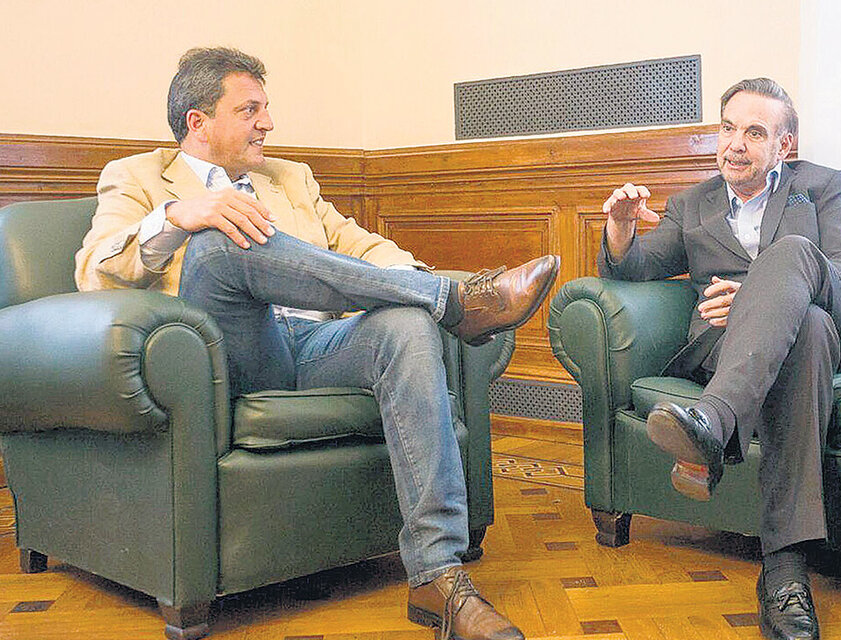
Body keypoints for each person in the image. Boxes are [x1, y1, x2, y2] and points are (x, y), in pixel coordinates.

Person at [76, 46, 559, 640]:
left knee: (407, 325)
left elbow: (361, 246)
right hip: (224, 356)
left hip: (312, 345)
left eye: (266, 108)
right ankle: (457, 305)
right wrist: (181, 215)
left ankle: (438, 576)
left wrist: (418, 282)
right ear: (198, 123)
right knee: (220, 240)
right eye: (250, 110)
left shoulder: (290, 177)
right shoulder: (137, 177)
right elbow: (95, 270)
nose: (268, 124)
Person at [598, 78, 841, 640]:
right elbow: (635, 267)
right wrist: (619, 228)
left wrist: (765, 292)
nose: (735, 144)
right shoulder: (691, 204)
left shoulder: (825, 187)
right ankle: (784, 575)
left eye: (755, 132)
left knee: (793, 264)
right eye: (728, 128)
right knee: (802, 330)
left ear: (784, 146)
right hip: (766, 344)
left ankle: (711, 423)